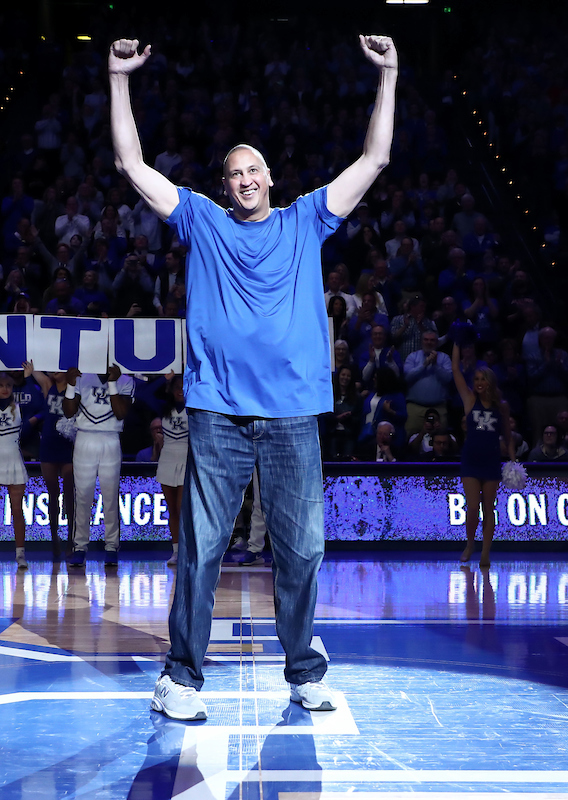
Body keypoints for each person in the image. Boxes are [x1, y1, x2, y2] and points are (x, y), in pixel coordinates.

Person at [109, 33, 398, 720]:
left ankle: (303, 671)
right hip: (218, 413)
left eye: (252, 170)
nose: (243, 179)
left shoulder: (306, 220)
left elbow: (376, 158)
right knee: (201, 549)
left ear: (269, 178)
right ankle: (180, 678)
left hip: (293, 414)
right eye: (233, 172)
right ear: (225, 186)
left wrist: (388, 73)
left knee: (302, 550)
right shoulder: (202, 221)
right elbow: (130, 163)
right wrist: (118, 78)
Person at [0, 364, 50, 571]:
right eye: (0, 385)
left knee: (17, 510)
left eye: (8, 385)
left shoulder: (18, 407)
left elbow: (40, 404)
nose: (5, 389)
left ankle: (20, 554)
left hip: (13, 459)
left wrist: (28, 379)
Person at [62, 364, 134, 568]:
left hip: (110, 438)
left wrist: (112, 383)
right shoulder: (83, 376)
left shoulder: (126, 380)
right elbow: (68, 412)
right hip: (84, 438)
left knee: (110, 496)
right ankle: (79, 547)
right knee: (83, 496)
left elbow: (120, 413)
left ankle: (111, 546)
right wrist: (70, 385)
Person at [453, 365, 513, 567]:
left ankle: (486, 552)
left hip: (491, 460)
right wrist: (456, 349)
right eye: (476, 379)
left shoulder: (501, 406)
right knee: (472, 507)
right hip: (471, 460)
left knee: (489, 508)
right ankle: (470, 544)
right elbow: (456, 371)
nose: (478, 383)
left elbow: (508, 436)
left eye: (482, 379)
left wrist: (513, 461)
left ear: (490, 382)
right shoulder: (470, 400)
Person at [37, 370, 76, 556]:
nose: (55, 371)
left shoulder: (75, 386)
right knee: (53, 495)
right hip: (49, 445)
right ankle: (54, 538)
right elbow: (32, 366)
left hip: (69, 445)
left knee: (70, 495)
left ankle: (71, 538)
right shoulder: (48, 385)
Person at [156, 373, 188, 566]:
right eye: (176, 386)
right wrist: (164, 379)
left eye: (183, 386)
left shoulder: (195, 409)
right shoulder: (163, 408)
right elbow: (144, 395)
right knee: (172, 510)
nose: (180, 390)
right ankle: (175, 551)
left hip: (186, 458)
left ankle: (186, 549)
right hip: (167, 459)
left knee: (182, 508)